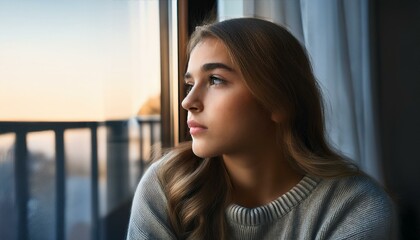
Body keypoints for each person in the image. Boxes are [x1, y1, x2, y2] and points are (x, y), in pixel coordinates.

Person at [126, 18, 396, 240]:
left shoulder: (355, 209)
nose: (188, 102)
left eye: (216, 80)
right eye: (190, 84)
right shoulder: (168, 186)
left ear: (279, 100)